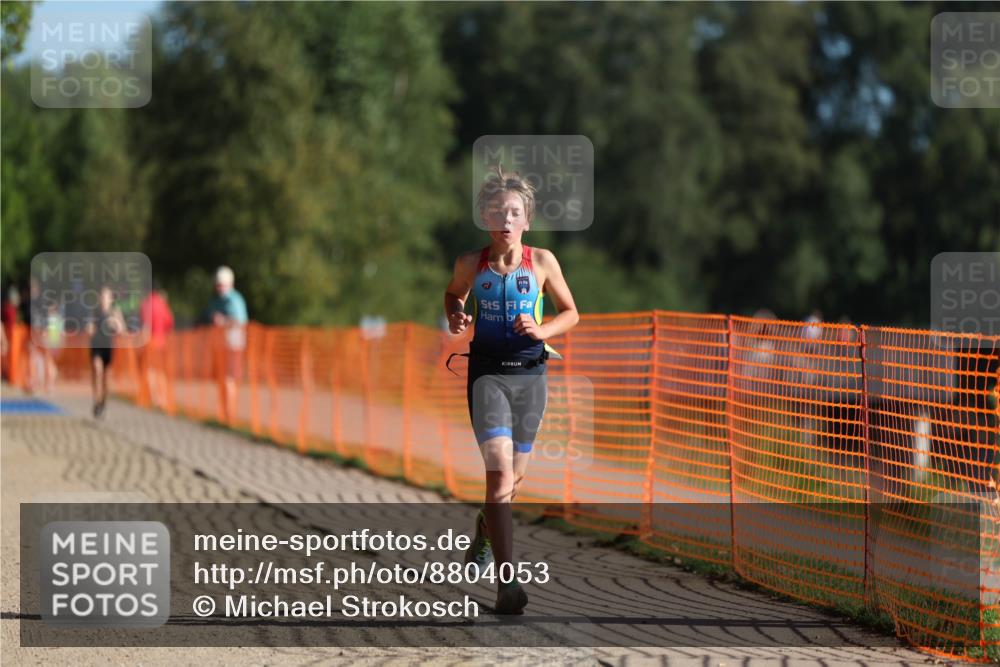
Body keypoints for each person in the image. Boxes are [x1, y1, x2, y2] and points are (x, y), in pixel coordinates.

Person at [443, 164, 579, 614]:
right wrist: (456, 314)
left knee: (512, 483)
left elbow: (571, 312)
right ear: (485, 216)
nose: (506, 220)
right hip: (487, 377)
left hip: (530, 378)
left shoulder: (542, 262)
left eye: (514, 213)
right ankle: (508, 586)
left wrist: (541, 330)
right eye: (498, 212)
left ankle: (485, 528)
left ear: (527, 220)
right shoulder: (469, 263)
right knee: (498, 475)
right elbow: (454, 293)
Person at [208, 266, 248, 424]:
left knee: (229, 379)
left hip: (233, 346)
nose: (219, 288)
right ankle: (225, 412)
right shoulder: (218, 300)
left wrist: (222, 321)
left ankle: (230, 414)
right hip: (222, 346)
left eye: (221, 285)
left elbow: (238, 321)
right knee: (222, 380)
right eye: (218, 285)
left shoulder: (234, 300)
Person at [87, 286, 126, 418]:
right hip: (96, 346)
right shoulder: (95, 312)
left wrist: (114, 323)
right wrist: (90, 329)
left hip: (108, 348)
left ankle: (103, 403)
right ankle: (96, 402)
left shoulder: (115, 312)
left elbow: (122, 329)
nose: (104, 299)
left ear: (110, 299)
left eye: (106, 297)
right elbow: (90, 327)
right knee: (97, 372)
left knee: (105, 379)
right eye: (102, 296)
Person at [140, 281, 175, 409]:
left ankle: (154, 398)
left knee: (150, 371)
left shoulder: (146, 304)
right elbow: (170, 322)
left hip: (150, 341)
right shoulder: (162, 303)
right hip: (163, 341)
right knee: (161, 371)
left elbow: (145, 325)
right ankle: (163, 398)